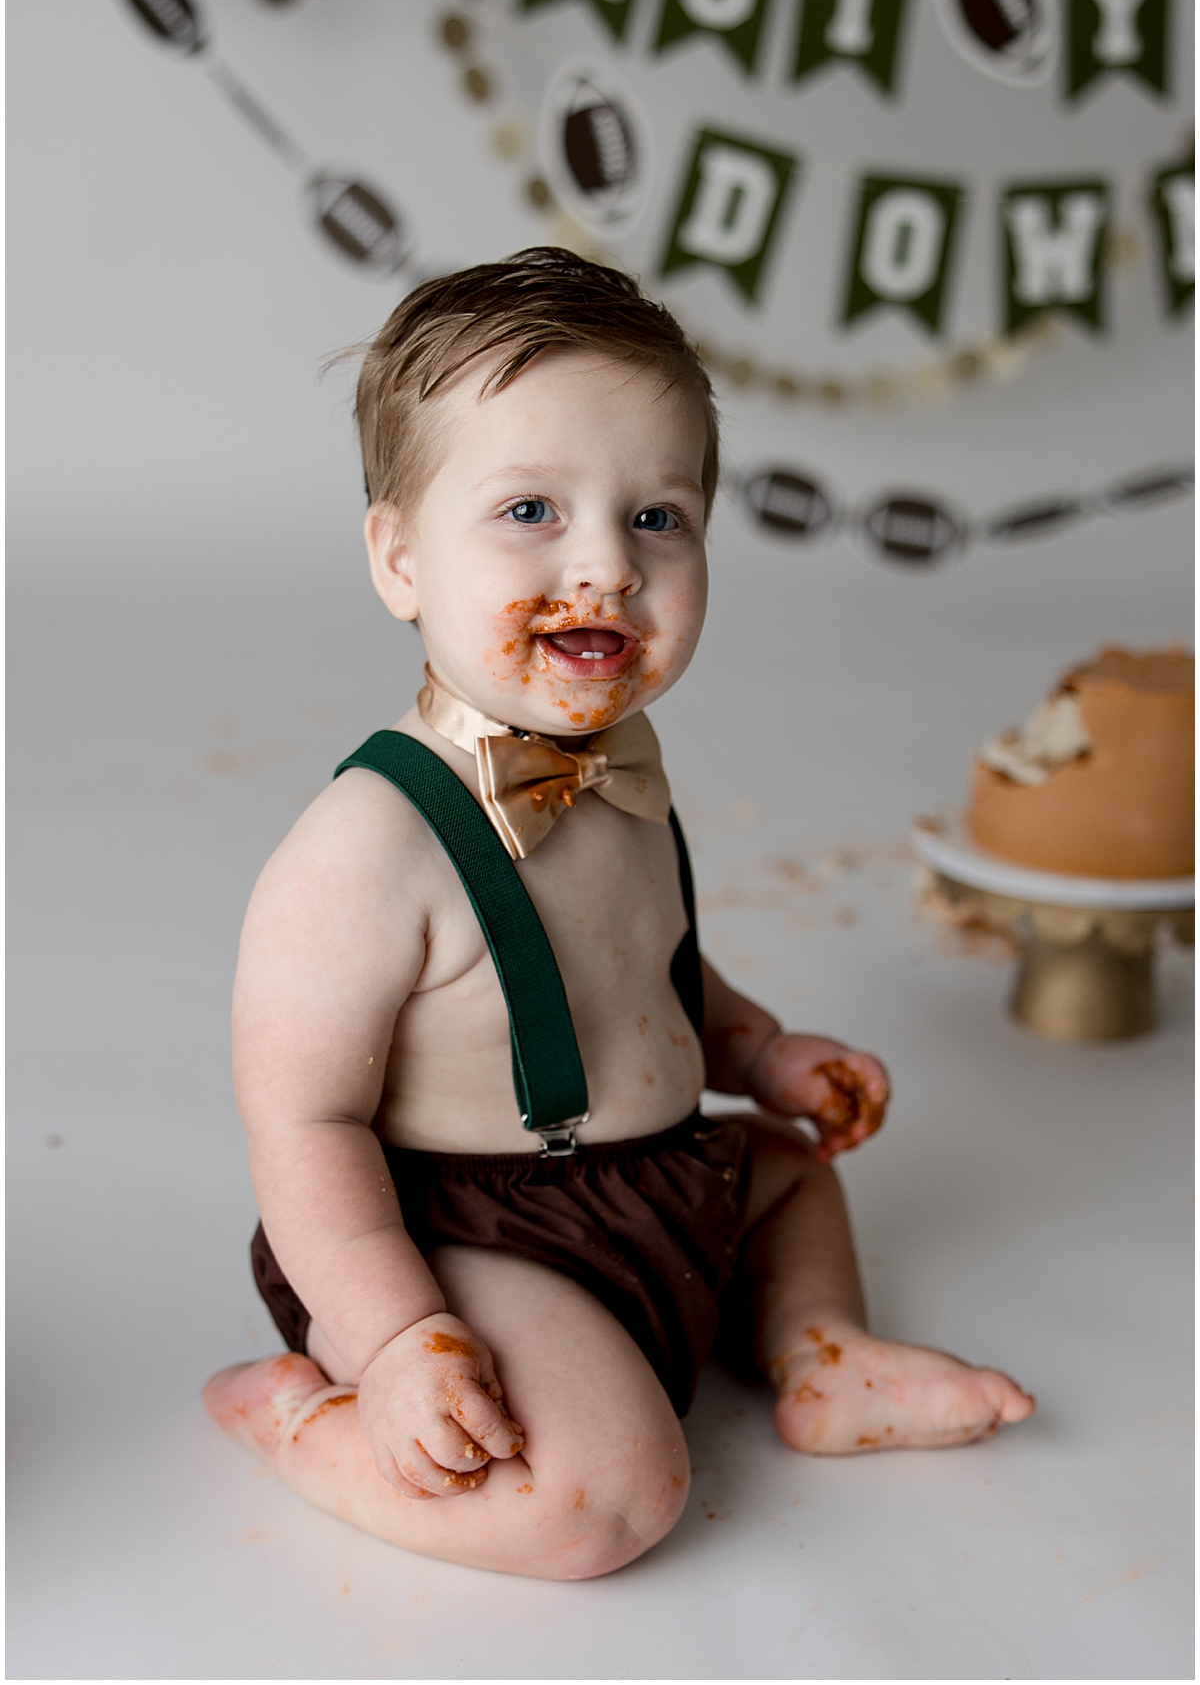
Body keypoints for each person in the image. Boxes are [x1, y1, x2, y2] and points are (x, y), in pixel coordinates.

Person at [204, 249, 1034, 1580]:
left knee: (790, 1169)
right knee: (610, 1497)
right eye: (531, 507)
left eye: (658, 517)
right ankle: (306, 1421)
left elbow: (653, 976)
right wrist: (394, 1333)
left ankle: (823, 1353)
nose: (606, 562)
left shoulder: (621, 777)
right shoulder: (366, 849)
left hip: (650, 1178)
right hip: (469, 1231)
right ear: (400, 556)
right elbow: (301, 1123)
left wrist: (757, 1055)